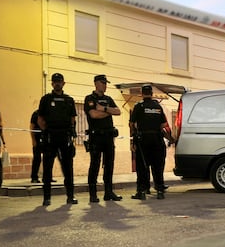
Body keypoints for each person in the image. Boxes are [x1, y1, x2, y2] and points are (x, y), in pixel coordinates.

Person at [37, 73, 78, 206]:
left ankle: (70, 196)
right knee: (47, 169)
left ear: (63, 83)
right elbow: (40, 119)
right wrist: (47, 131)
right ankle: (47, 198)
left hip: (65, 137)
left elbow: (73, 118)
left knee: (68, 169)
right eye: (55, 81)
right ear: (52, 83)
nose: (57, 83)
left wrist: (70, 132)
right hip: (50, 137)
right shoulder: (46, 99)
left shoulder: (69, 100)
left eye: (59, 81)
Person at [129, 84, 175, 200]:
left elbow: (131, 124)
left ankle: (142, 191)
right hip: (157, 139)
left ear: (142, 93)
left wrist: (133, 140)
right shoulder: (157, 106)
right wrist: (170, 139)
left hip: (143, 140)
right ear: (152, 93)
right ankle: (160, 190)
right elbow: (163, 125)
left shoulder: (138, 106)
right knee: (157, 166)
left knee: (142, 167)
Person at [84, 74, 122, 203]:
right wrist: (108, 112)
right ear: (96, 83)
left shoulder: (108, 99)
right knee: (94, 165)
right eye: (102, 82)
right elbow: (93, 114)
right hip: (96, 137)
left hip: (108, 137)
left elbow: (118, 111)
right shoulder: (89, 99)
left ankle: (108, 192)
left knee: (109, 165)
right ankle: (93, 194)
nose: (105, 85)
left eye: (106, 83)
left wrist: (104, 109)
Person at [30, 110, 58, 184]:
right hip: (37, 138)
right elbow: (32, 127)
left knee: (50, 159)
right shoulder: (36, 114)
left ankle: (48, 177)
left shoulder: (50, 113)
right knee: (37, 158)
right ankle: (34, 177)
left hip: (48, 139)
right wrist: (33, 140)